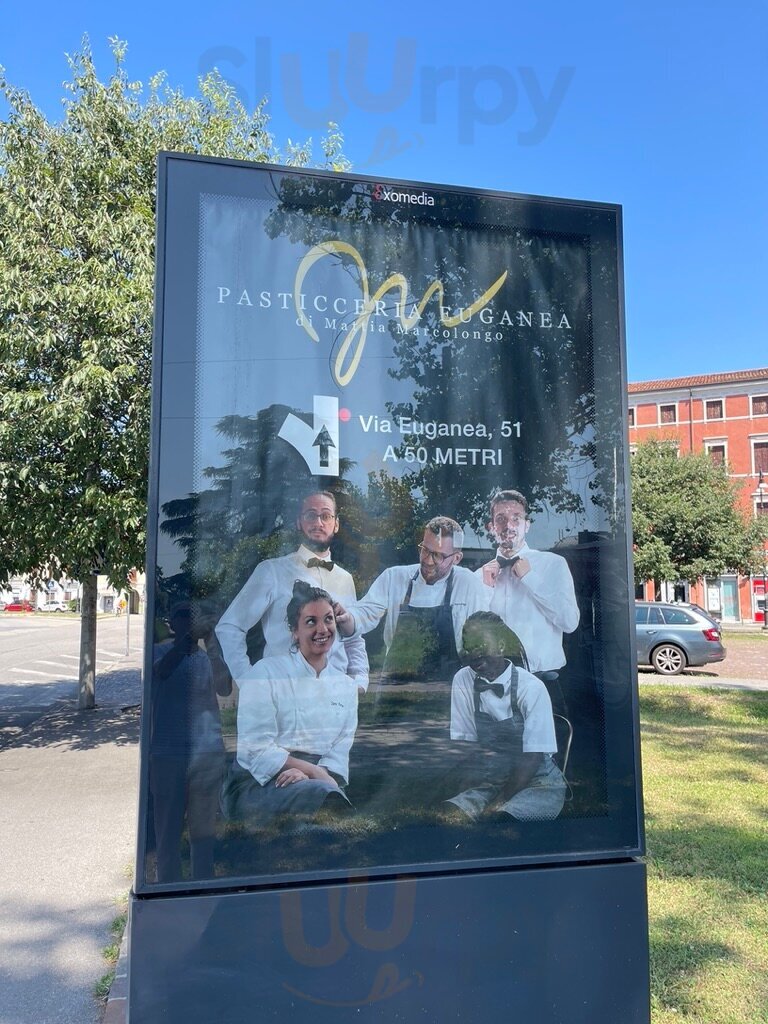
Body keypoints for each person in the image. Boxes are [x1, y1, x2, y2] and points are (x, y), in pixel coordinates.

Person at [221, 582, 358, 825]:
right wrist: (312, 772)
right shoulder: (265, 673)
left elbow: (339, 750)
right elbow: (256, 749)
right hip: (256, 782)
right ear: (294, 631)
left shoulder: (345, 686)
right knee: (324, 803)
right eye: (310, 622)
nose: (322, 629)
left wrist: (312, 774)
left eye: (328, 619)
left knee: (321, 802)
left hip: (318, 781)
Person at [215, 490, 369, 691]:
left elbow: (353, 637)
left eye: (326, 515)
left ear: (336, 524)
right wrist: (250, 683)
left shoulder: (345, 579)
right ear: (299, 522)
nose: (318, 523)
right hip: (286, 697)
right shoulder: (272, 571)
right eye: (311, 515)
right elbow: (229, 627)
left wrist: (359, 681)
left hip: (335, 700)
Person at [335, 516, 487, 687]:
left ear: (457, 558)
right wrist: (348, 618)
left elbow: (481, 639)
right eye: (425, 550)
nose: (428, 561)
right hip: (395, 687)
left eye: (437, 556)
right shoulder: (393, 577)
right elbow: (365, 612)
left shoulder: (469, 584)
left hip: (448, 690)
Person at [446, 611, 566, 822]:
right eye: (469, 648)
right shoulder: (463, 680)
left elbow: (532, 757)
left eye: (481, 646)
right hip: (490, 776)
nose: (475, 656)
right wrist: (463, 795)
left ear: (501, 645)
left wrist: (496, 804)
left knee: (502, 823)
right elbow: (466, 747)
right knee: (450, 818)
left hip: (537, 781)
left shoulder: (532, 688)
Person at [149, 600, 231, 882]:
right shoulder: (159, 651)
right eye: (183, 615)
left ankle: (202, 888)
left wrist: (212, 640)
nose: (190, 621)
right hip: (166, 752)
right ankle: (167, 889)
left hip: (206, 754)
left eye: (194, 616)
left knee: (203, 832)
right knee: (167, 831)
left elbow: (224, 686)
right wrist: (182, 644)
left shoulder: (208, 657)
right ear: (172, 622)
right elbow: (162, 672)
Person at [477, 490, 579, 675]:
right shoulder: (479, 577)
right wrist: (485, 589)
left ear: (527, 525)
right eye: (500, 519)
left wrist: (530, 579)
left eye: (516, 518)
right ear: (491, 528)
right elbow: (470, 633)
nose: (509, 525)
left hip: (544, 679)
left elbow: (569, 622)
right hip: (492, 680)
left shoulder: (553, 564)